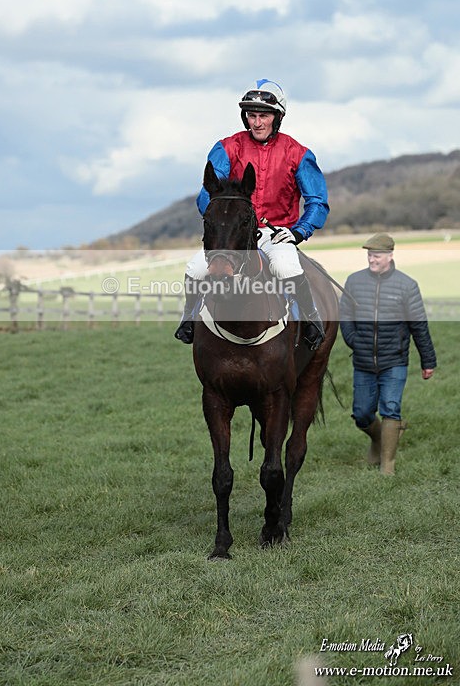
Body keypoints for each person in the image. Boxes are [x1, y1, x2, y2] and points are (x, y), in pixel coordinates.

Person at [174, 78, 330, 350]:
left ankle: (311, 320)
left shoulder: (298, 153)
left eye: (264, 116)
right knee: (196, 267)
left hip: (276, 232)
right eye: (252, 116)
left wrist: (298, 231)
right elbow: (207, 193)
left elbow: (317, 202)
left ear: (277, 117)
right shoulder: (227, 147)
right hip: (233, 233)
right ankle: (189, 318)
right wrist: (219, 219)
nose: (257, 122)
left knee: (285, 266)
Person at [339, 233, 437, 475]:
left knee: (390, 407)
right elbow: (345, 316)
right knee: (362, 413)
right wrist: (353, 341)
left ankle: (387, 465)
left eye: (377, 255)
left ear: (390, 256)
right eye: (370, 255)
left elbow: (419, 326)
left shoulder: (407, 285)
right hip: (363, 361)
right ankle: (379, 438)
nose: (372, 259)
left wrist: (428, 361)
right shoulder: (354, 281)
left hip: (394, 360)